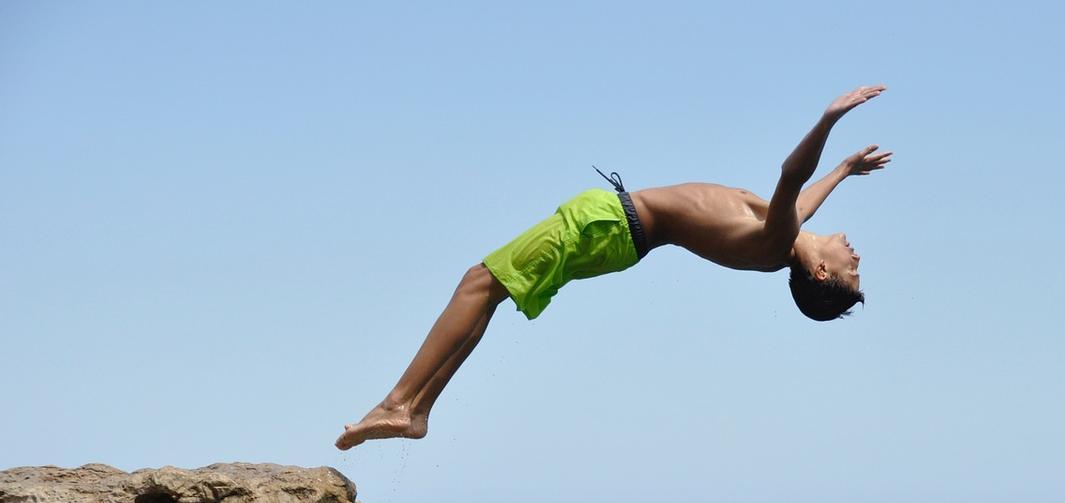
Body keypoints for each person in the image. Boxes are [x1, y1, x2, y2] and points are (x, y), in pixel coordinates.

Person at [336, 85, 890, 449]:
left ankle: (400, 403)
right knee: (488, 290)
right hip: (615, 230)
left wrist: (828, 120)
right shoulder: (782, 240)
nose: (857, 256)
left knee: (479, 283)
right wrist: (842, 168)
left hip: (608, 226)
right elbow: (802, 201)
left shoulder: (777, 243)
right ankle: (417, 409)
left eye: (853, 270)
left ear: (821, 274)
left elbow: (791, 175)